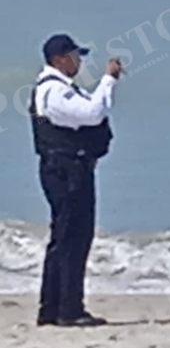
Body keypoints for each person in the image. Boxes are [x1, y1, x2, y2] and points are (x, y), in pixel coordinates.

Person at [30, 34, 122, 327]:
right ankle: (68, 309)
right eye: (74, 56)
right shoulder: (55, 91)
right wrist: (108, 81)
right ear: (59, 59)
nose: (79, 61)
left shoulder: (60, 89)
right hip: (66, 171)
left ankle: (53, 308)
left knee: (65, 237)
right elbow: (92, 114)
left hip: (68, 169)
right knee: (73, 237)